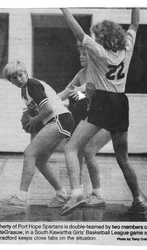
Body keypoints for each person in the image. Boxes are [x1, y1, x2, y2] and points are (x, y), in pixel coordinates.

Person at [59, 8, 145, 215]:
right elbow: (134, 25)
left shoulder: (98, 52)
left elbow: (78, 32)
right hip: (121, 103)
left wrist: (64, 9)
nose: (93, 38)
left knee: (71, 148)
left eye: (96, 35)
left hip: (103, 101)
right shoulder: (126, 50)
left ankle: (77, 193)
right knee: (123, 158)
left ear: (103, 38)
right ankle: (138, 200)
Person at [0, 60, 74, 209]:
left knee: (29, 153)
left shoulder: (32, 85)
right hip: (60, 120)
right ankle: (62, 195)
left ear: (26, 73)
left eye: (20, 75)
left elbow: (48, 109)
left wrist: (33, 120)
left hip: (59, 119)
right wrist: (31, 117)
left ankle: (21, 197)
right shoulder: (24, 91)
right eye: (14, 77)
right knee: (40, 160)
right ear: (10, 81)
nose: (18, 79)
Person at [58, 45, 111, 206]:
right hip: (94, 119)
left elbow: (91, 89)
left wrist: (82, 90)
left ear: (93, 56)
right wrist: (48, 100)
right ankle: (79, 191)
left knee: (88, 151)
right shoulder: (80, 74)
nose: (81, 57)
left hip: (109, 119)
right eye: (80, 54)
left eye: (85, 54)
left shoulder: (100, 72)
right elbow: (66, 92)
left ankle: (98, 194)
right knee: (78, 149)